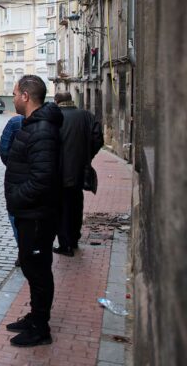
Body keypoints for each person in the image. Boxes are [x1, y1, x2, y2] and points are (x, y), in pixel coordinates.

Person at [4, 75, 63, 347]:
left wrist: (16, 197)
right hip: (30, 213)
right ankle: (35, 316)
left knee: (38, 270)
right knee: (31, 266)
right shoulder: (34, 125)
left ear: (26, 96)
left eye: (16, 93)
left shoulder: (41, 130)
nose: (14, 97)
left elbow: (42, 178)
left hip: (36, 214)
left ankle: (41, 328)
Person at [53, 92, 104, 256]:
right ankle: (74, 239)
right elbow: (98, 138)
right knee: (76, 205)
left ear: (57, 101)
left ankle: (65, 245)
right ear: (71, 100)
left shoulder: (55, 116)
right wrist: (87, 156)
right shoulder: (86, 116)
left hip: (59, 172)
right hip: (80, 171)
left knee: (62, 208)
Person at [0, 114, 24, 265]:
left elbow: (4, 149)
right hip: (43, 178)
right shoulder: (50, 121)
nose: (13, 102)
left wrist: (13, 165)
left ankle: (24, 250)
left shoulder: (15, 122)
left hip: (17, 179)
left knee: (15, 215)